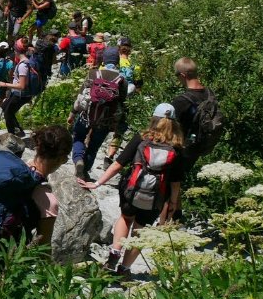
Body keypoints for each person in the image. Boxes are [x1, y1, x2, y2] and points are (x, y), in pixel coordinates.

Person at [78, 104, 185, 280]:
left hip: (132, 191)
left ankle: (114, 253)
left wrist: (97, 183)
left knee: (125, 219)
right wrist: (172, 204)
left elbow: (118, 164)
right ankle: (125, 269)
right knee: (140, 230)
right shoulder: (177, 148)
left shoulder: (142, 138)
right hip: (156, 197)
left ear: (154, 119)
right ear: (174, 124)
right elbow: (175, 183)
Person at [0, 125, 72, 257]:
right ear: (62, 158)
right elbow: (43, 247)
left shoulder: (9, 170)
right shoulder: (49, 201)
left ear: (37, 147)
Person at [67, 47, 128, 180]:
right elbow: (122, 103)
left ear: (103, 60)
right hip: (105, 120)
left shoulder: (93, 73)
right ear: (117, 61)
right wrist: (117, 122)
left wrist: (72, 113)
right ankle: (85, 172)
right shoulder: (122, 80)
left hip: (86, 116)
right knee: (94, 146)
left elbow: (80, 96)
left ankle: (78, 160)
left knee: (78, 138)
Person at [170, 57, 223, 178]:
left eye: (176, 75)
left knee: (173, 184)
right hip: (199, 148)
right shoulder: (210, 94)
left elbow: (166, 128)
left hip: (182, 152)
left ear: (182, 75)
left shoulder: (181, 101)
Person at [0, 39, 37, 138]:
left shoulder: (23, 65)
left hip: (21, 95)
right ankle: (18, 129)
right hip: (19, 94)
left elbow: (21, 86)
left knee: (7, 113)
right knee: (5, 106)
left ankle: (12, 136)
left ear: (16, 51)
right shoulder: (27, 61)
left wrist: (4, 84)